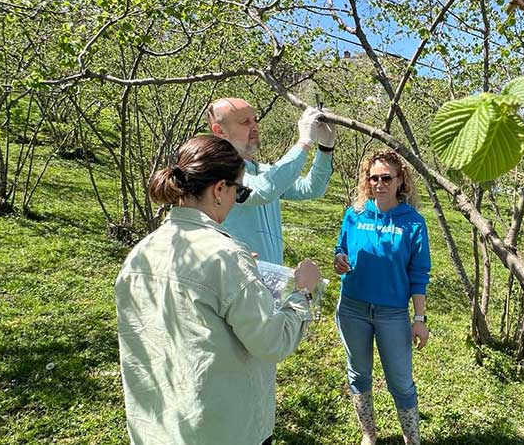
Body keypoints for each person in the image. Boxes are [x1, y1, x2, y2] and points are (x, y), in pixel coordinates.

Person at [114, 135, 322, 445]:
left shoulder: (141, 252)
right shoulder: (225, 256)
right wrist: (303, 291)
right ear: (220, 189)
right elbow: (272, 341)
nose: (237, 199)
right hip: (221, 428)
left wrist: (241, 274)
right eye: (239, 191)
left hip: (156, 426)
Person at [333, 150, 431, 445]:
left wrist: (419, 319)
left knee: (400, 383)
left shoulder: (413, 222)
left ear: (400, 180)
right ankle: (368, 434)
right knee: (358, 374)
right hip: (352, 308)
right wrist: (339, 258)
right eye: (373, 177)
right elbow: (341, 249)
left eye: (386, 177)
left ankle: (411, 439)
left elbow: (419, 274)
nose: (379, 183)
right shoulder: (355, 214)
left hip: (392, 314)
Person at [206, 97, 336, 264]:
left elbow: (311, 188)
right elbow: (261, 191)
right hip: (237, 280)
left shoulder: (261, 170)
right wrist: (304, 142)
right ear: (219, 130)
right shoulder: (218, 171)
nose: (254, 127)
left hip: (267, 281)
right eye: (245, 122)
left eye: (255, 120)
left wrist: (326, 148)